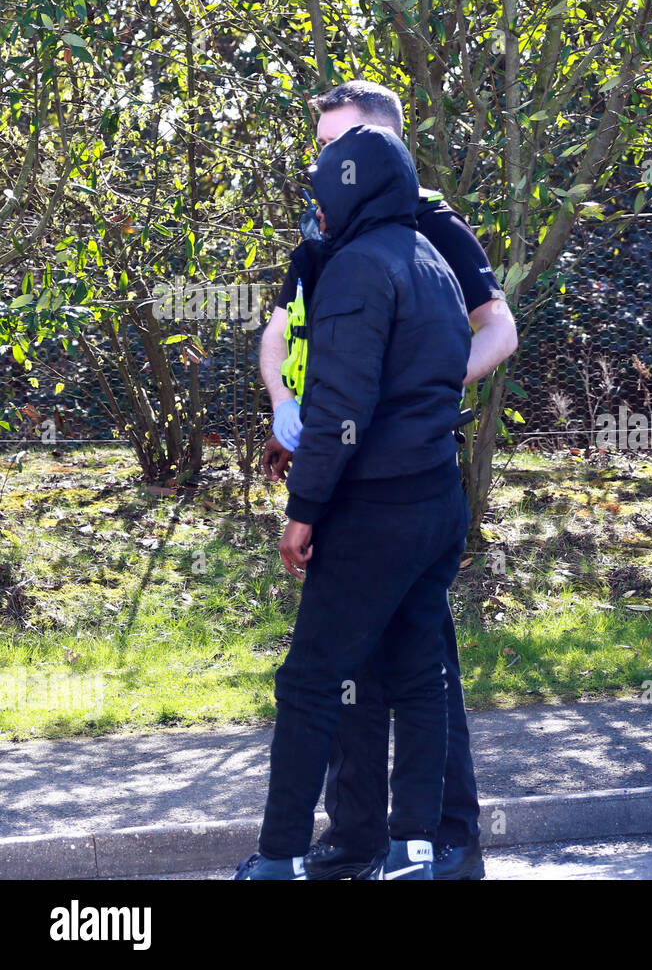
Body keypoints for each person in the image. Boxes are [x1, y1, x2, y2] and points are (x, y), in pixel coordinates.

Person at [259, 80, 516, 880]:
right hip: (391, 479)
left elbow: (494, 328)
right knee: (381, 675)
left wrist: (417, 404)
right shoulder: (337, 235)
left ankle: (439, 840)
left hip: (379, 482)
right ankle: (375, 843)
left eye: (336, 146)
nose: (321, 162)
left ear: (376, 151)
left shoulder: (425, 229)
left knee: (382, 673)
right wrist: (282, 408)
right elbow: (285, 327)